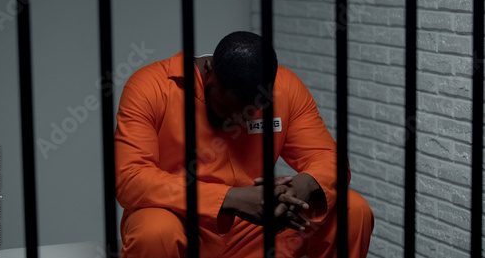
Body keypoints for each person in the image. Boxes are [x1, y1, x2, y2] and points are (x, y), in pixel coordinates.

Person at [115, 31, 374, 258]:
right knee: (154, 229)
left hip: (258, 231)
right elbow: (130, 178)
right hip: (182, 223)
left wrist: (300, 186)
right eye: (225, 107)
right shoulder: (150, 87)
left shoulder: (286, 88)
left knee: (353, 209)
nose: (236, 120)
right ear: (209, 73)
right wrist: (230, 198)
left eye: (249, 112)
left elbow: (329, 159)